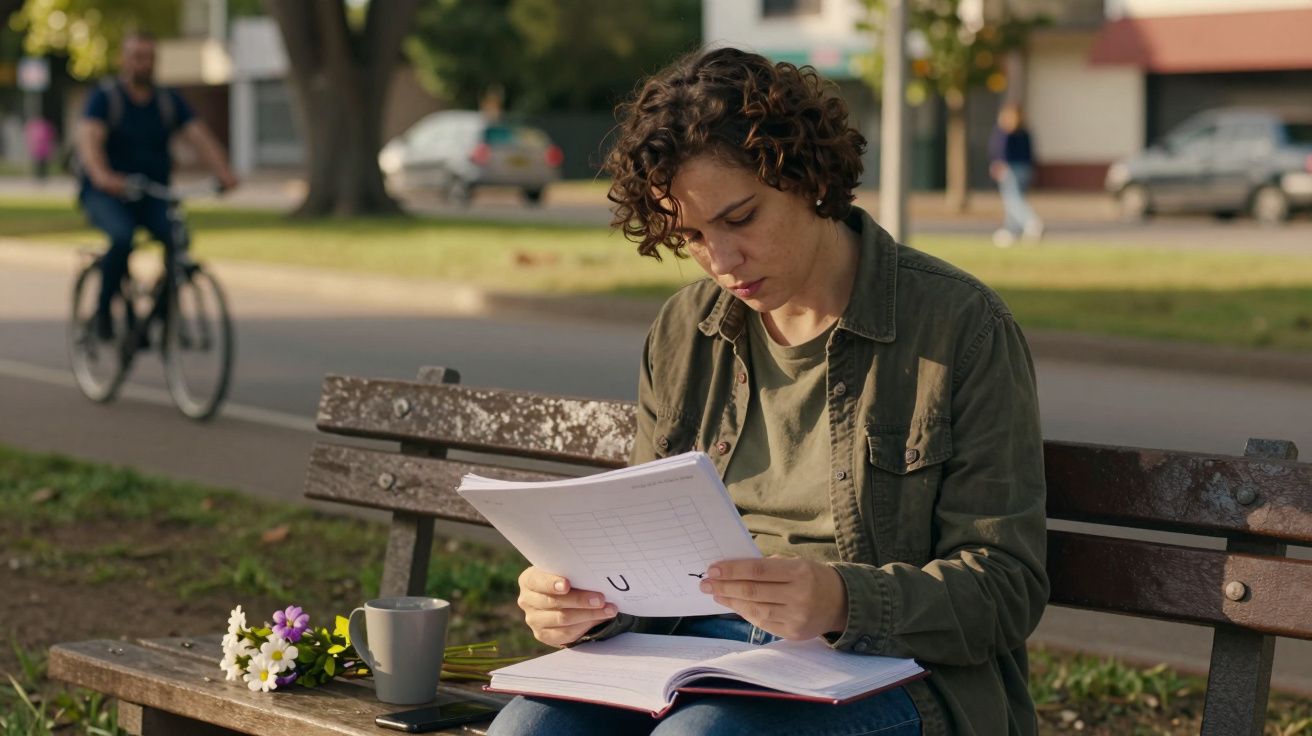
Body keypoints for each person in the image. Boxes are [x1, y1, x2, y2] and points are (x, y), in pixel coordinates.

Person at [490, 47, 1048, 736]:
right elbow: (644, 549)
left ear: (806, 176)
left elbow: (1006, 586)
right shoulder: (685, 330)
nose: (721, 262)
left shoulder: (959, 326)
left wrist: (843, 598)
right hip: (690, 653)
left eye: (740, 218)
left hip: (891, 671)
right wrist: (582, 601)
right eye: (692, 235)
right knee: (526, 731)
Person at [76, 30, 238, 340]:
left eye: (149, 57)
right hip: (107, 193)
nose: (143, 64)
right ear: (123, 60)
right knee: (122, 238)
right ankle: (102, 313)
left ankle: (163, 315)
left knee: (177, 241)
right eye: (137, 57)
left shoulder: (167, 101)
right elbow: (89, 141)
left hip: (152, 192)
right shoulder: (105, 99)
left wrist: (224, 172)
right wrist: (103, 176)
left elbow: (199, 137)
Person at [988, 103, 1043, 247]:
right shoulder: (1025, 132)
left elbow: (1000, 151)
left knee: (1013, 200)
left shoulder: (1005, 132)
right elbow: (1031, 153)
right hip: (1025, 168)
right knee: (1013, 200)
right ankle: (1011, 232)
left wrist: (998, 165)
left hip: (1010, 169)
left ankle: (1031, 222)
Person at [24, 115, 56, 182]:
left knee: (42, 164)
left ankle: (42, 176)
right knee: (39, 164)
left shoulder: (40, 128)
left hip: (41, 149)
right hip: (40, 149)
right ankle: (40, 176)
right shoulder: (42, 127)